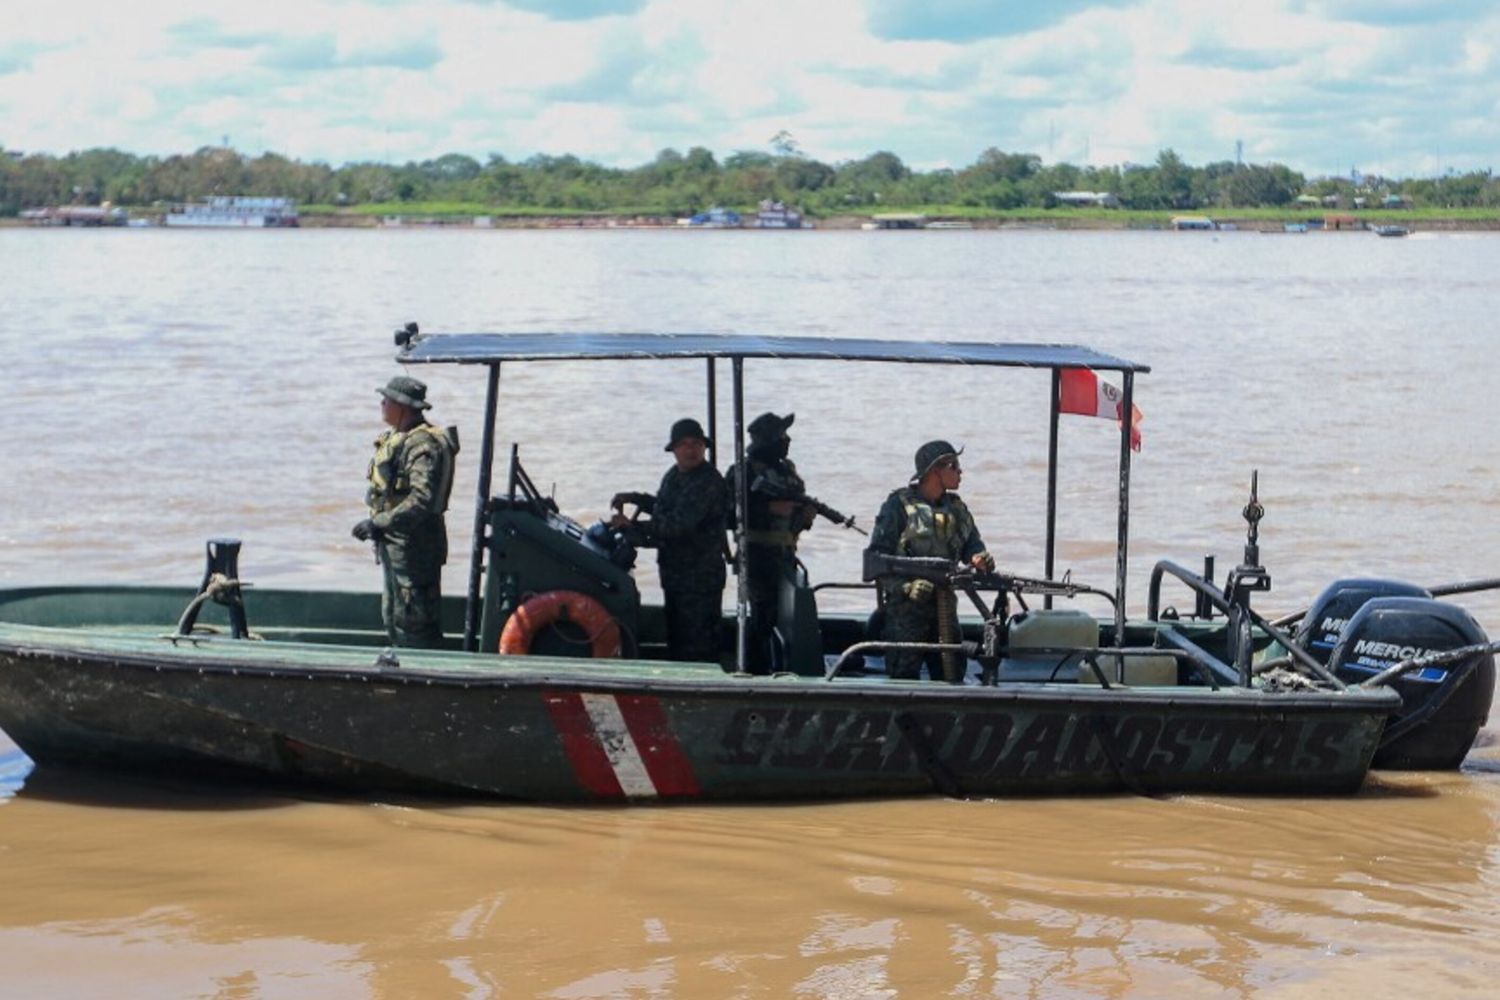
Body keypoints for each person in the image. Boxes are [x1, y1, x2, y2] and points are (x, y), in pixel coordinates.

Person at [869, 440, 994, 682]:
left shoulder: (957, 509)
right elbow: (876, 560)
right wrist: (906, 587)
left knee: (952, 670)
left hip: (945, 604)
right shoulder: (898, 507)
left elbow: (972, 544)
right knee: (903, 674)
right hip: (906, 611)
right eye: (954, 466)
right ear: (935, 470)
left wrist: (980, 558)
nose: (960, 472)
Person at [610, 418, 728, 663]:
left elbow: (678, 525)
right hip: (675, 574)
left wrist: (632, 526)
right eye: (683, 444)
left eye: (696, 444)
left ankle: (701, 693)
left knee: (698, 646)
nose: (690, 450)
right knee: (678, 639)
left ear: (704, 448)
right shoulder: (674, 476)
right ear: (673, 449)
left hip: (699, 579)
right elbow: (665, 509)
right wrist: (637, 499)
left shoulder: (708, 481)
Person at [352, 375, 458, 648]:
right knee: (395, 615)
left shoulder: (422, 445)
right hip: (396, 543)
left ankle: (427, 680)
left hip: (415, 548)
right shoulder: (400, 438)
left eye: (386, 399)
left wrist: (380, 523)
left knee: (415, 623)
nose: (382, 403)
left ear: (402, 406)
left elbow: (422, 499)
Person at [726, 412, 816, 672]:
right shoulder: (742, 472)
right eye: (781, 435)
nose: (786, 440)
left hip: (785, 553)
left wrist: (804, 516)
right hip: (756, 557)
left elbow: (794, 512)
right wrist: (768, 509)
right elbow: (728, 515)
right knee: (762, 617)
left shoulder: (787, 469)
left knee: (785, 615)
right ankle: (756, 669)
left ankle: (781, 666)